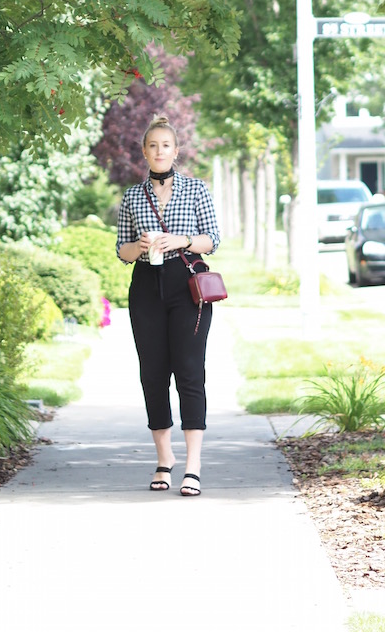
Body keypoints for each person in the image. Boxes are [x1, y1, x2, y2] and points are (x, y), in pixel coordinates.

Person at [116, 113, 221, 496]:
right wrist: (139, 246)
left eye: (166, 145)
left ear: (176, 151)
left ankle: (193, 465)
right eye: (153, 146)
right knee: (152, 373)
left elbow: (212, 238)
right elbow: (121, 250)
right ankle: (164, 459)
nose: (159, 151)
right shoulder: (131, 196)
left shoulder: (196, 190)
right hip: (145, 286)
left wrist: (180, 241)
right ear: (144, 152)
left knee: (190, 372)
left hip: (187, 285)